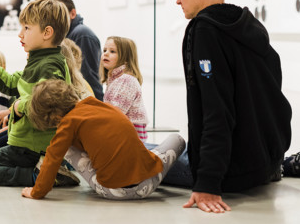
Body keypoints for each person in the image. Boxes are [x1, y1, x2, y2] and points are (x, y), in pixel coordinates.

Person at [174, 0, 296, 213]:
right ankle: (291, 163)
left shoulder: (205, 30)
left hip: (231, 173)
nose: (178, 0)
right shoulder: (249, 25)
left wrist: (207, 182)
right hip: (266, 162)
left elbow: (217, 110)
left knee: (149, 155)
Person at [0, 0, 76, 187]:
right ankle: (44, 171)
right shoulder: (38, 60)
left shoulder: (50, 65)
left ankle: (40, 175)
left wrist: (22, 105)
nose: (20, 34)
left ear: (47, 32)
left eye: (27, 28)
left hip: (34, 148)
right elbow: (10, 83)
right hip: (25, 144)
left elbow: (52, 103)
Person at [21, 80, 185, 200]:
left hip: (113, 191)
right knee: (176, 138)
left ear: (56, 118)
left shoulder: (67, 123)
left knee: (66, 148)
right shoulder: (100, 106)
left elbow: (52, 158)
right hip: (148, 183)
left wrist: (37, 192)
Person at [0, 39, 89, 170]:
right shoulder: (33, 74)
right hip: (20, 133)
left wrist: (15, 109)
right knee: (0, 132)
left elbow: (35, 109)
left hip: (41, 144)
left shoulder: (54, 78)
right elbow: (10, 89)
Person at [99, 36, 149, 141]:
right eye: (104, 50)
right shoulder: (115, 80)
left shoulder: (126, 80)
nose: (106, 53)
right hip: (123, 134)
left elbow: (116, 113)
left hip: (130, 138)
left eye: (112, 51)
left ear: (125, 58)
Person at [54, 0, 104, 100]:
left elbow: (86, 75)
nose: (54, 19)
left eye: (60, 13)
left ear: (72, 13)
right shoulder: (66, 34)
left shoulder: (82, 34)